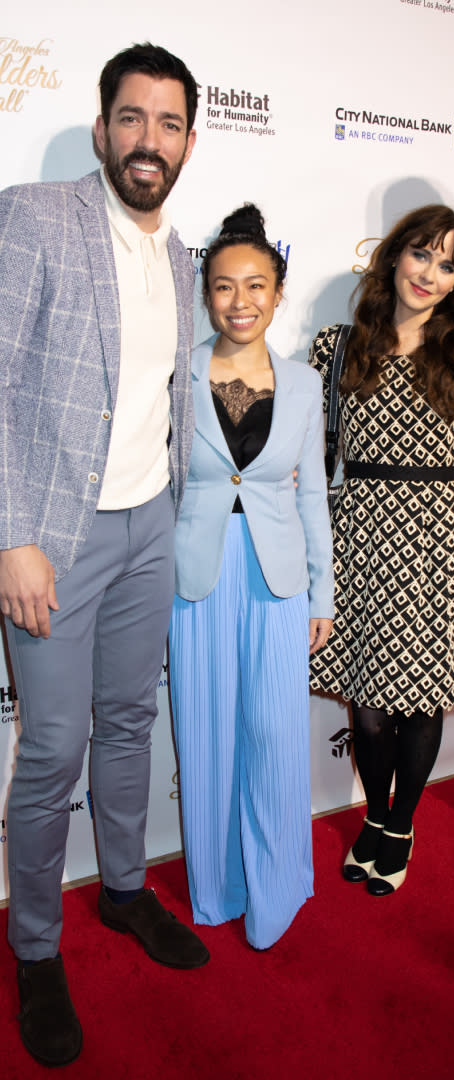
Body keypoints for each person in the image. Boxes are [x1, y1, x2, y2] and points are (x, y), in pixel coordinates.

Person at [0, 43, 209, 1068]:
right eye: (132, 119)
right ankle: (36, 947)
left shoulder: (180, 256)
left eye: (169, 125)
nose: (148, 141)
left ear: (188, 143)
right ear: (101, 127)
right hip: (55, 536)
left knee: (130, 721)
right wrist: (13, 536)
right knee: (50, 750)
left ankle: (122, 891)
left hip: (147, 529)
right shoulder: (35, 216)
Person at [309, 205, 454, 896]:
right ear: (395, 254)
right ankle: (376, 814)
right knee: (367, 701)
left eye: (449, 263)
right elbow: (313, 459)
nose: (430, 273)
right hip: (360, 532)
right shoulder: (339, 345)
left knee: (421, 697)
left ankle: (401, 823)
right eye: (422, 254)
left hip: (437, 536)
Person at [169, 204, 333, 950]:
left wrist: (321, 591)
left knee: (273, 735)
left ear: (279, 290)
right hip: (194, 574)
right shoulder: (178, 372)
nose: (241, 302)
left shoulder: (303, 385)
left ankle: (276, 888)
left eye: (256, 285)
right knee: (204, 736)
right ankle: (217, 889)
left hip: (276, 577)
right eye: (225, 287)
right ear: (206, 295)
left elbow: (310, 494)